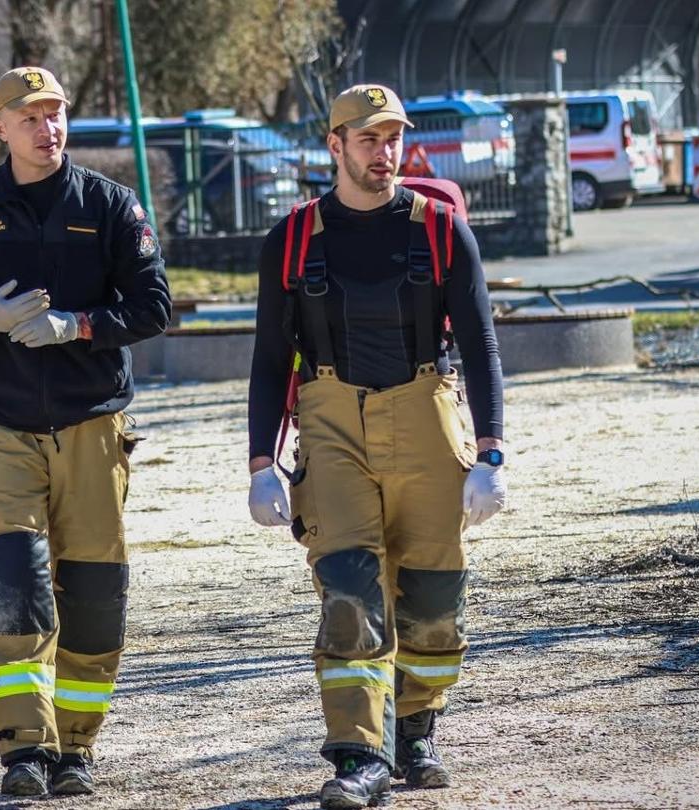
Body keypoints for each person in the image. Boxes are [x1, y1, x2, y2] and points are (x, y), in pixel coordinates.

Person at [243, 84, 508, 810]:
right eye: (368, 139)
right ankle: (359, 754)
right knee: (349, 592)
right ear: (334, 146)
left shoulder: (444, 231)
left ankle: (415, 730)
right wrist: (262, 465)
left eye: (392, 137)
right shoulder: (292, 239)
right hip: (329, 422)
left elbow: (481, 346)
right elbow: (271, 357)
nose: (384, 152)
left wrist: (491, 451)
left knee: (432, 597)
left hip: (427, 414)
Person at [0, 66, 170, 798]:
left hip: (93, 431)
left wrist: (81, 327)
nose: (47, 127)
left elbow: (154, 306)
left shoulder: (110, 204)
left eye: (56, 113)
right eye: (29, 116)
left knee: (92, 593)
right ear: (0, 127)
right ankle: (24, 748)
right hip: (1, 432)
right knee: (14, 586)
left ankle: (77, 749)